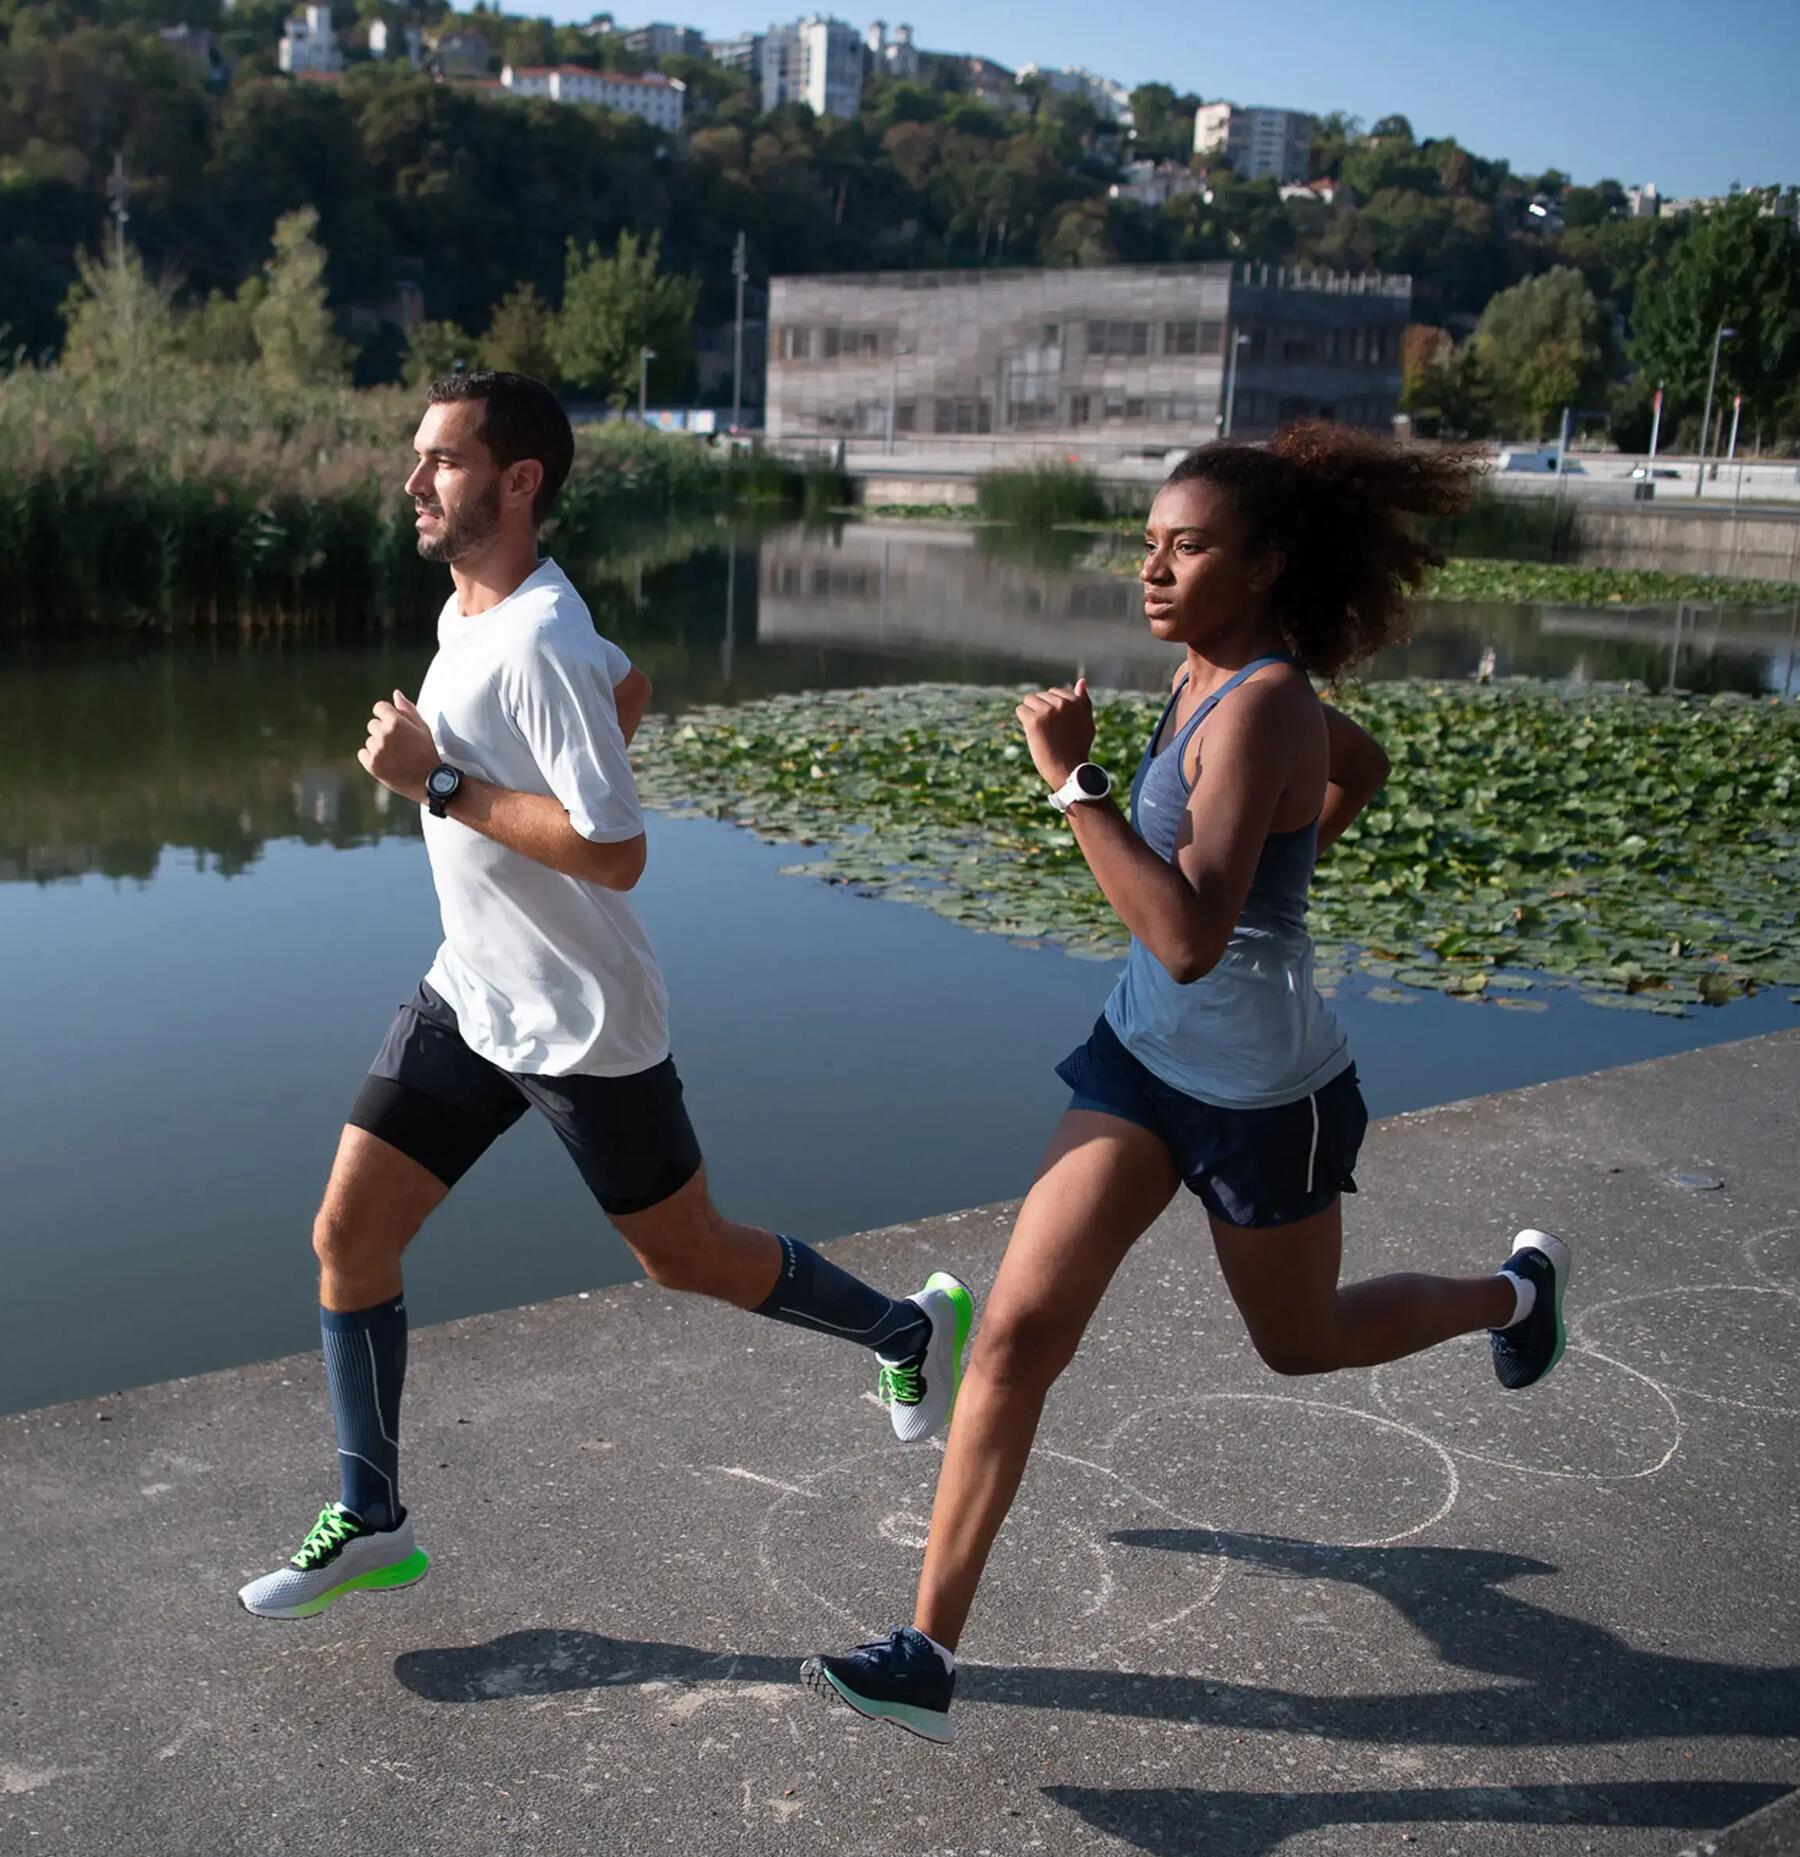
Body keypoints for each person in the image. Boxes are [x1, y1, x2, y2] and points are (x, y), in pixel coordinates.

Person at [801, 424, 1572, 1744]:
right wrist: (1294, 848)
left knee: (1301, 1339)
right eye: (1148, 544)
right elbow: (1359, 770)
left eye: (1188, 546)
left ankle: (1518, 1291)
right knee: (1021, 1333)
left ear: (1263, 565)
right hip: (1141, 1060)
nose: (1153, 567)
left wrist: (1075, 785)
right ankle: (927, 1648)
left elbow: (1189, 932)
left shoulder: (1267, 697)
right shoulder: (1203, 673)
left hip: (1263, 1093)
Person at [238, 372, 971, 1620]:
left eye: (445, 462)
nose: (416, 482)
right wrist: (467, 770)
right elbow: (625, 694)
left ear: (519, 482)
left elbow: (616, 846)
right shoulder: (485, 607)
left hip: (582, 1020)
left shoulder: (538, 636)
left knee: (683, 1256)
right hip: (470, 995)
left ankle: (905, 1329)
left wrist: (439, 783)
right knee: (348, 1236)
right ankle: (371, 1516)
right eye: (419, 459)